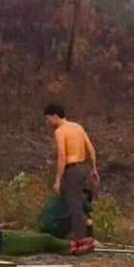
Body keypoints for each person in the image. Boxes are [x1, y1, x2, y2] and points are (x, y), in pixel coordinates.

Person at [43, 103, 99, 254]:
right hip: (83, 167)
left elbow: (62, 157)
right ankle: (74, 234)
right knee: (72, 201)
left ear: (55, 115)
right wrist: (94, 169)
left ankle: (82, 239)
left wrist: (57, 179)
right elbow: (91, 150)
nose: (47, 122)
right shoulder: (77, 127)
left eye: (48, 119)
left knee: (74, 205)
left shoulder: (60, 131)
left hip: (72, 169)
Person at [0, 225, 74, 257]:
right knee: (44, 239)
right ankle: (72, 244)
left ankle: (68, 250)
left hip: (4, 236)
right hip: (5, 245)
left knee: (39, 242)